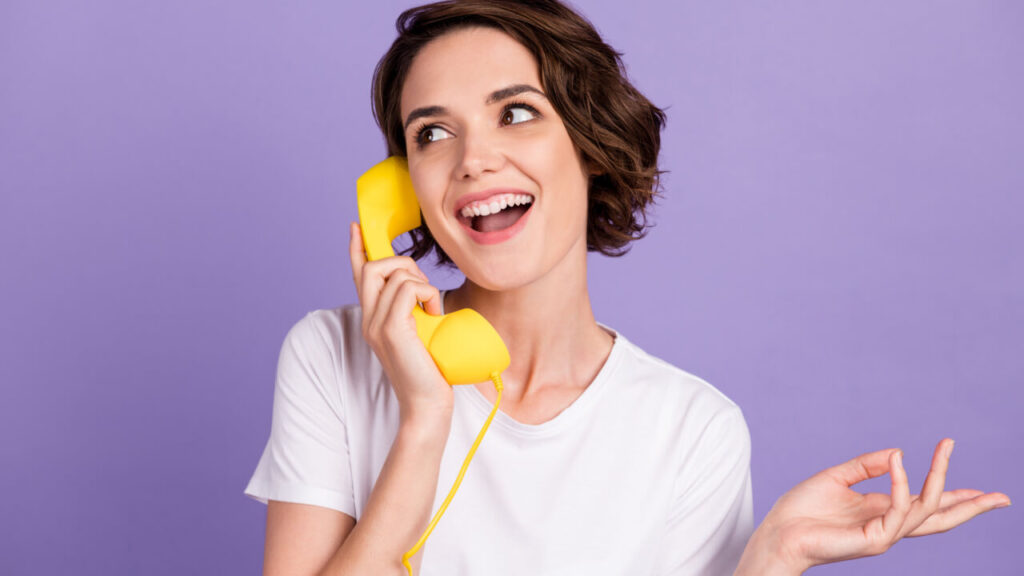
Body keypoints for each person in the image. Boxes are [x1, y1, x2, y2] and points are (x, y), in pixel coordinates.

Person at [243, 1, 1011, 574]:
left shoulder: (690, 431)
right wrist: (422, 422)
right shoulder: (333, 356)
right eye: (432, 134)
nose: (472, 160)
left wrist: (768, 558)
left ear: (592, 147)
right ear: (403, 189)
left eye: (516, 113)